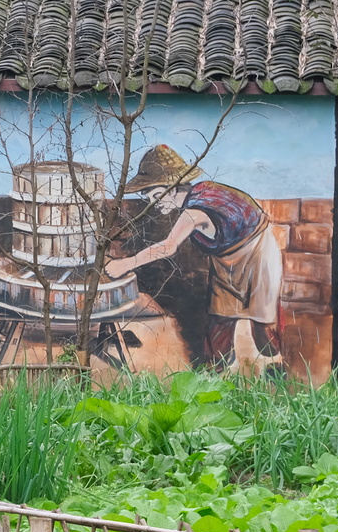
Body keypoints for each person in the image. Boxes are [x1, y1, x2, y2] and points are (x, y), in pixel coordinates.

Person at [103, 144, 283, 369]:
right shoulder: (197, 196)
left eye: (157, 195)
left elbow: (168, 246)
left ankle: (275, 368)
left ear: (175, 187)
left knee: (262, 320)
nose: (154, 204)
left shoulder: (195, 211)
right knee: (220, 317)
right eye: (150, 198)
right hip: (225, 258)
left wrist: (126, 264)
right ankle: (217, 371)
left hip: (257, 252)